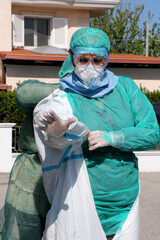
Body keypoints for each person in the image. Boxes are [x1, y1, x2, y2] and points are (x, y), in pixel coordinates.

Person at [33, 27, 159, 240]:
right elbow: (54, 120)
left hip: (125, 200)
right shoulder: (64, 96)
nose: (90, 66)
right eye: (83, 59)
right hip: (83, 198)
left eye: (97, 60)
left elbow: (151, 133)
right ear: (72, 59)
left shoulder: (126, 88)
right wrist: (59, 132)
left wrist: (116, 137)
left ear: (107, 59)